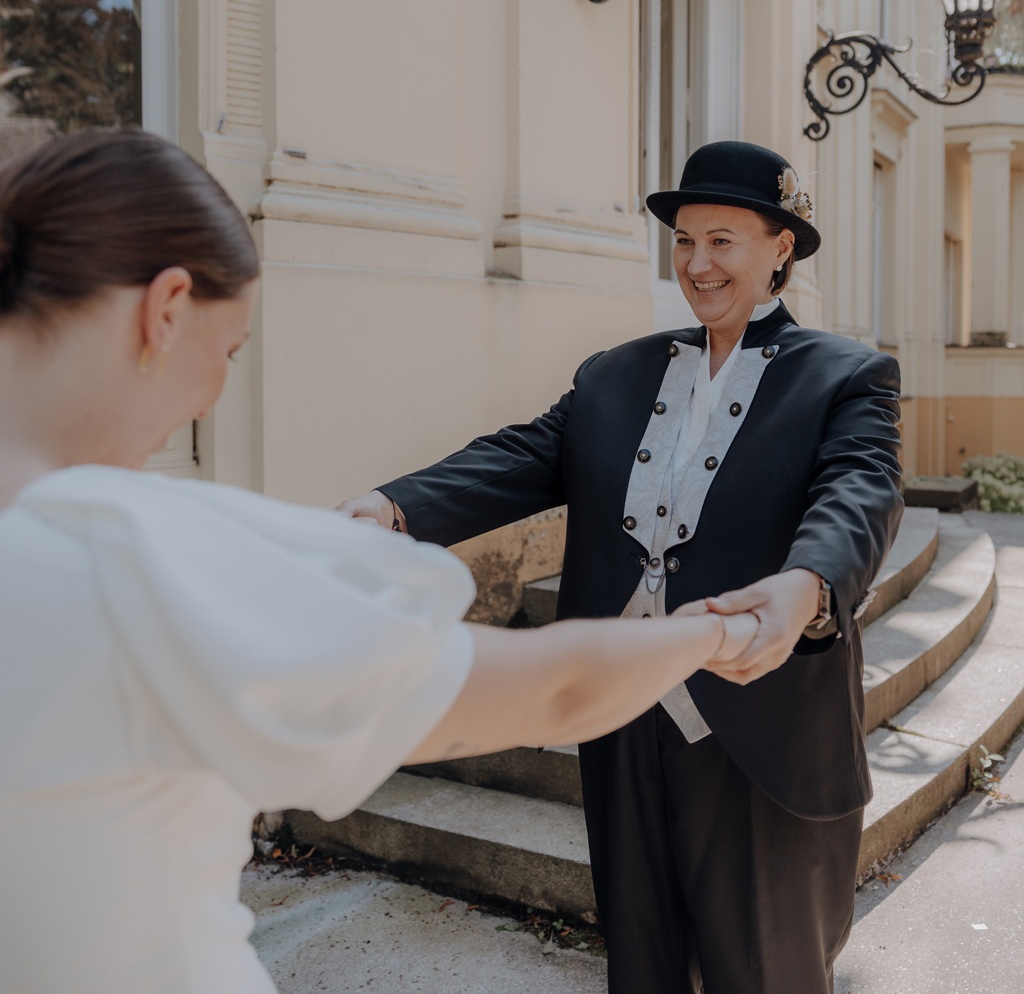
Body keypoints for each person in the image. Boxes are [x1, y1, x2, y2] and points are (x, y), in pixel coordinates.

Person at [0, 127, 759, 994]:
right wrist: (719, 633)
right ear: (164, 310)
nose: (213, 389)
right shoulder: (129, 551)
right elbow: (557, 687)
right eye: (231, 349)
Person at [342, 140, 904, 994]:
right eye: (684, 240)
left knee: (767, 969)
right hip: (624, 711)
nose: (697, 263)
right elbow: (521, 456)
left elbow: (860, 490)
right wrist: (392, 508)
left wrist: (807, 586)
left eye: (724, 240)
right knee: (639, 961)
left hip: (757, 723)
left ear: (780, 247)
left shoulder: (847, 376)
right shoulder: (616, 373)